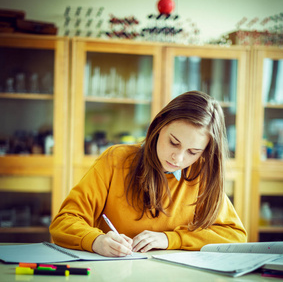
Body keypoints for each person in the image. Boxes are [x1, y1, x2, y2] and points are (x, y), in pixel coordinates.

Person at [50, 91, 247, 257]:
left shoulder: (201, 174)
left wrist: (170, 239)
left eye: (193, 152)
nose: (178, 159)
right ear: (159, 125)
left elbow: (234, 235)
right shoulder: (115, 160)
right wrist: (96, 240)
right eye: (174, 142)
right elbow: (64, 222)